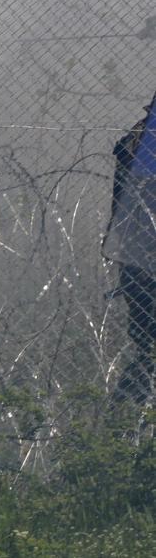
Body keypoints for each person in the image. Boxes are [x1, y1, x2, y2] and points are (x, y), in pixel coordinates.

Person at [106, 92, 156, 405]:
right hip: (140, 259)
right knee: (146, 346)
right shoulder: (139, 141)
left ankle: (130, 418)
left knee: (146, 347)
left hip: (136, 259)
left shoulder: (137, 139)